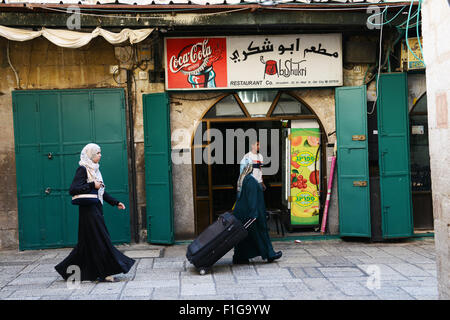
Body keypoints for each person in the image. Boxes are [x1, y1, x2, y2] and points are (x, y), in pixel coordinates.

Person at [55, 143, 135, 283]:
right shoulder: (83, 169)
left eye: (100, 152)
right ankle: (105, 273)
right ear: (91, 155)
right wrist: (93, 185)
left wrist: (115, 202)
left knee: (87, 243)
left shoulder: (95, 170)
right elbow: (73, 189)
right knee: (101, 241)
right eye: (98, 153)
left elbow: (101, 192)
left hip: (95, 210)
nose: (100, 155)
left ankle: (66, 269)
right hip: (89, 213)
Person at [232, 159, 282, 264]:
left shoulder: (247, 179)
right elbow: (252, 199)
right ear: (252, 168)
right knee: (261, 233)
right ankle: (270, 254)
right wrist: (254, 215)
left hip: (246, 213)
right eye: (258, 167)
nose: (260, 169)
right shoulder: (250, 180)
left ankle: (240, 257)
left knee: (247, 237)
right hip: (252, 214)